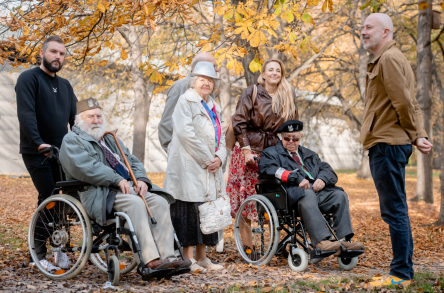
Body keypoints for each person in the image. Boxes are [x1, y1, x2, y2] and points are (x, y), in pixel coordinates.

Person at [59, 99, 191, 274]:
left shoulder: (109, 138)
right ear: (79, 120)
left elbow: (131, 161)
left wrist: (141, 179)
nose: (96, 120)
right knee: (135, 204)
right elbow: (87, 168)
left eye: (99, 116)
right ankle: (150, 261)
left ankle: (170, 259)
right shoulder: (72, 140)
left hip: (125, 188)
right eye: (90, 116)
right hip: (97, 193)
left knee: (158, 201)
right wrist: (115, 179)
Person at [360, 13, 433, 287]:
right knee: (396, 209)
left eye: (369, 28)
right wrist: (418, 134)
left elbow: (403, 102)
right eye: (363, 27)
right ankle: (403, 271)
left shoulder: (388, 59)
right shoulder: (388, 58)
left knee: (394, 210)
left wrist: (416, 134)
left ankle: (401, 274)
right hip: (388, 141)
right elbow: (410, 102)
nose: (363, 31)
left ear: (385, 32)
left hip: (388, 144)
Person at [16, 36, 77, 270]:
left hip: (62, 153)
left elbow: (75, 120)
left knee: (64, 201)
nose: (57, 57)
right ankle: (37, 254)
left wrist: (92, 136)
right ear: (42, 53)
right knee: (50, 197)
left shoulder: (65, 85)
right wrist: (38, 142)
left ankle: (59, 247)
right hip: (37, 151)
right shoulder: (29, 78)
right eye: (53, 52)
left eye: (61, 54)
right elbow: (26, 114)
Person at [226, 59, 299, 255]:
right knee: (247, 199)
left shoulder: (287, 96)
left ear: (281, 74)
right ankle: (249, 247)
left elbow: (293, 124)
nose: (274, 73)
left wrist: (292, 149)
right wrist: (246, 150)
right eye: (271, 70)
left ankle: (276, 244)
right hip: (248, 148)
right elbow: (239, 121)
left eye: (278, 70)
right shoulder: (251, 92)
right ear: (264, 74)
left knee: (274, 197)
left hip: (273, 152)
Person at [259, 120, 364, 254]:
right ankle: (321, 241)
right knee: (306, 192)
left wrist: (322, 179)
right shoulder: (271, 153)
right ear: (281, 137)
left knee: (339, 195)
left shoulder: (310, 154)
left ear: (301, 137)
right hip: (290, 196)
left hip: (315, 193)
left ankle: (343, 241)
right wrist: (296, 178)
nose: (291, 141)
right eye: (287, 138)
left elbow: (327, 169)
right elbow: (269, 170)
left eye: (295, 138)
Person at [164, 61, 227, 273]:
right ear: (193, 81)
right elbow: (185, 134)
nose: (206, 83)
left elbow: (222, 135)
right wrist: (207, 159)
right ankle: (188, 259)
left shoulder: (213, 105)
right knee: (190, 211)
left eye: (210, 80)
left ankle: (202, 258)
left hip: (209, 166)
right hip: (189, 167)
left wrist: (219, 157)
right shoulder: (186, 100)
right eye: (202, 79)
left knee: (206, 211)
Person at [158, 52, 219, 153]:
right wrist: (174, 154)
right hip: (186, 161)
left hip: (208, 159)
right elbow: (166, 126)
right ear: (200, 66)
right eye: (214, 66)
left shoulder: (208, 90)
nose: (217, 69)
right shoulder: (180, 87)